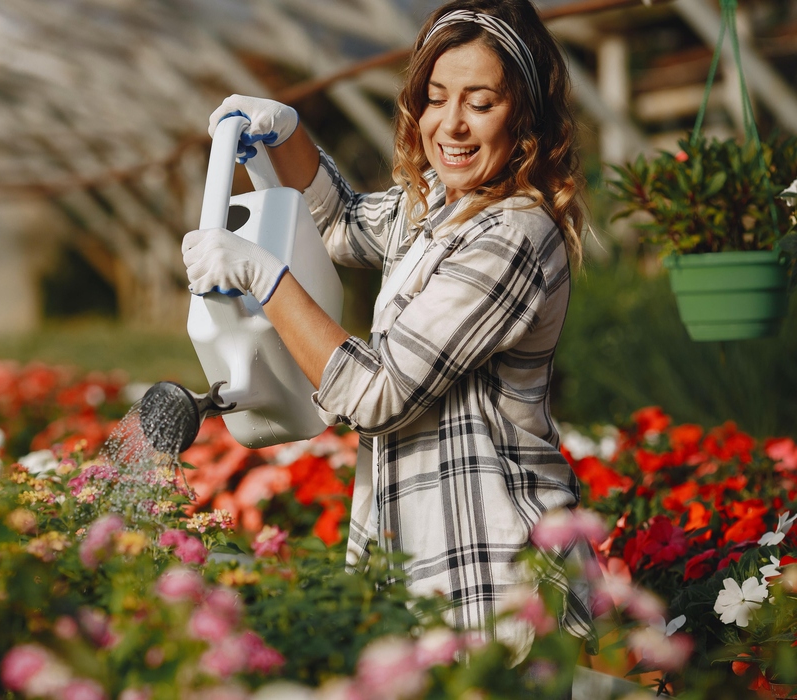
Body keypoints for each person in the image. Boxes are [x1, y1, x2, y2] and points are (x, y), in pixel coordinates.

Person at [182, 0, 593, 658]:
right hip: (424, 571)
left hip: (496, 582)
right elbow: (341, 223)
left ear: (524, 116)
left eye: (480, 102)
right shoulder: (438, 206)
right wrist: (287, 136)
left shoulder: (513, 233)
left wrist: (264, 277)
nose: (450, 124)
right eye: (434, 98)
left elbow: (379, 396)